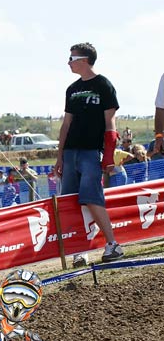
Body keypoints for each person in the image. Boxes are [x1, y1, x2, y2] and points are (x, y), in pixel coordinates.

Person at [55, 42, 123, 263]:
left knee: (92, 198)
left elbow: (110, 123)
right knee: (70, 201)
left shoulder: (104, 85)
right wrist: (59, 156)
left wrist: (109, 154)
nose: (68, 63)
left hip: (91, 152)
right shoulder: (71, 89)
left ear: (84, 60)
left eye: (72, 59)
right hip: (70, 152)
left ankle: (112, 244)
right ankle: (79, 250)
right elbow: (66, 124)